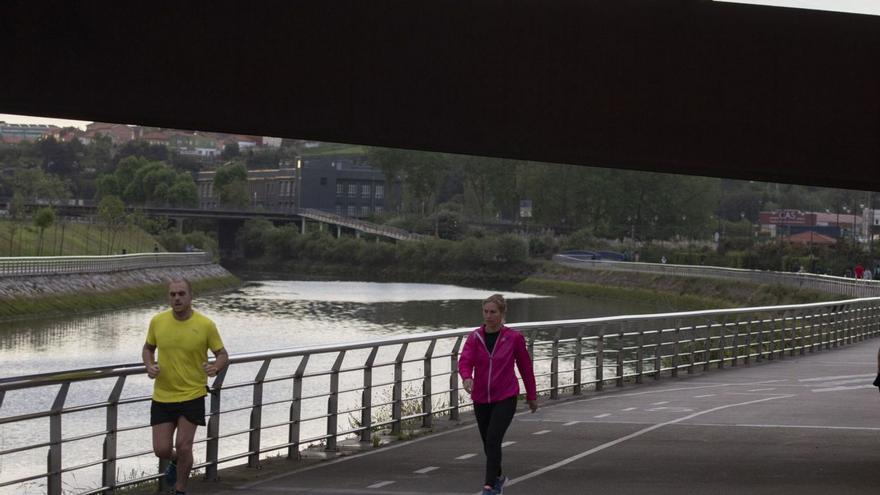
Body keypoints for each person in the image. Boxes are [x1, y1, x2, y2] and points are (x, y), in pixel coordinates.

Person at [142, 279, 228, 495]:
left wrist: (215, 367)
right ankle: (176, 461)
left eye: (181, 294)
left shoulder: (205, 325)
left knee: (184, 445)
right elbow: (148, 348)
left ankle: (180, 489)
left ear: (191, 296)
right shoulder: (157, 321)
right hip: (163, 395)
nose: (177, 298)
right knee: (161, 449)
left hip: (193, 394)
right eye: (172, 295)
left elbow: (222, 354)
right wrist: (149, 365)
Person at [459, 294, 538, 495]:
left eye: (493, 312)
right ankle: (499, 477)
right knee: (488, 442)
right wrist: (467, 377)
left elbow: (525, 367)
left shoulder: (514, 338)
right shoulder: (475, 337)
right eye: (486, 312)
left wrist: (531, 395)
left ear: (502, 314)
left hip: (506, 396)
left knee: (493, 439)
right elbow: (465, 361)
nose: (489, 316)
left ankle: (489, 486)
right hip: (481, 398)